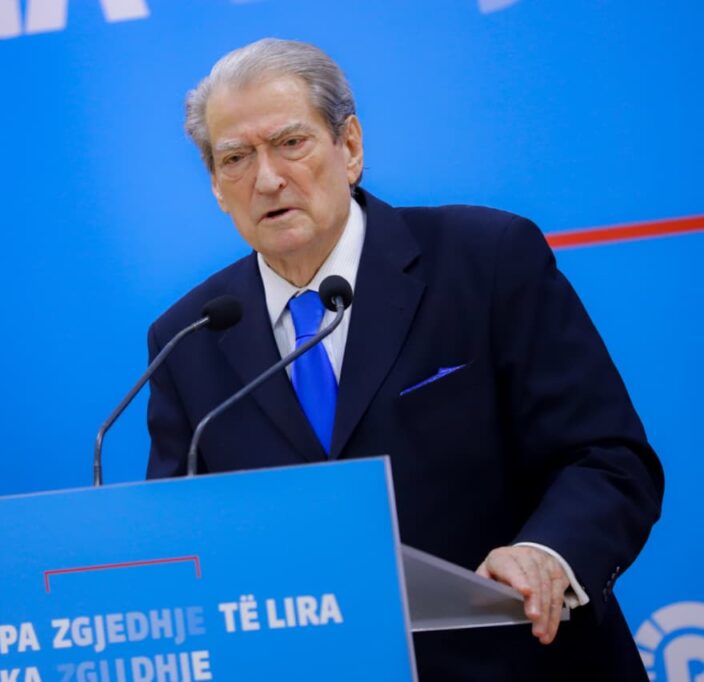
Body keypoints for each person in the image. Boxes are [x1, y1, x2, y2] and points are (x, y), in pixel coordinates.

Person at [145, 38, 663, 681]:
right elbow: (182, 544)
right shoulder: (189, 338)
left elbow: (608, 457)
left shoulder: (487, 259)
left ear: (350, 146)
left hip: (521, 661)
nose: (268, 178)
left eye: (291, 143)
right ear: (217, 187)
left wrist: (546, 553)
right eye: (235, 158)